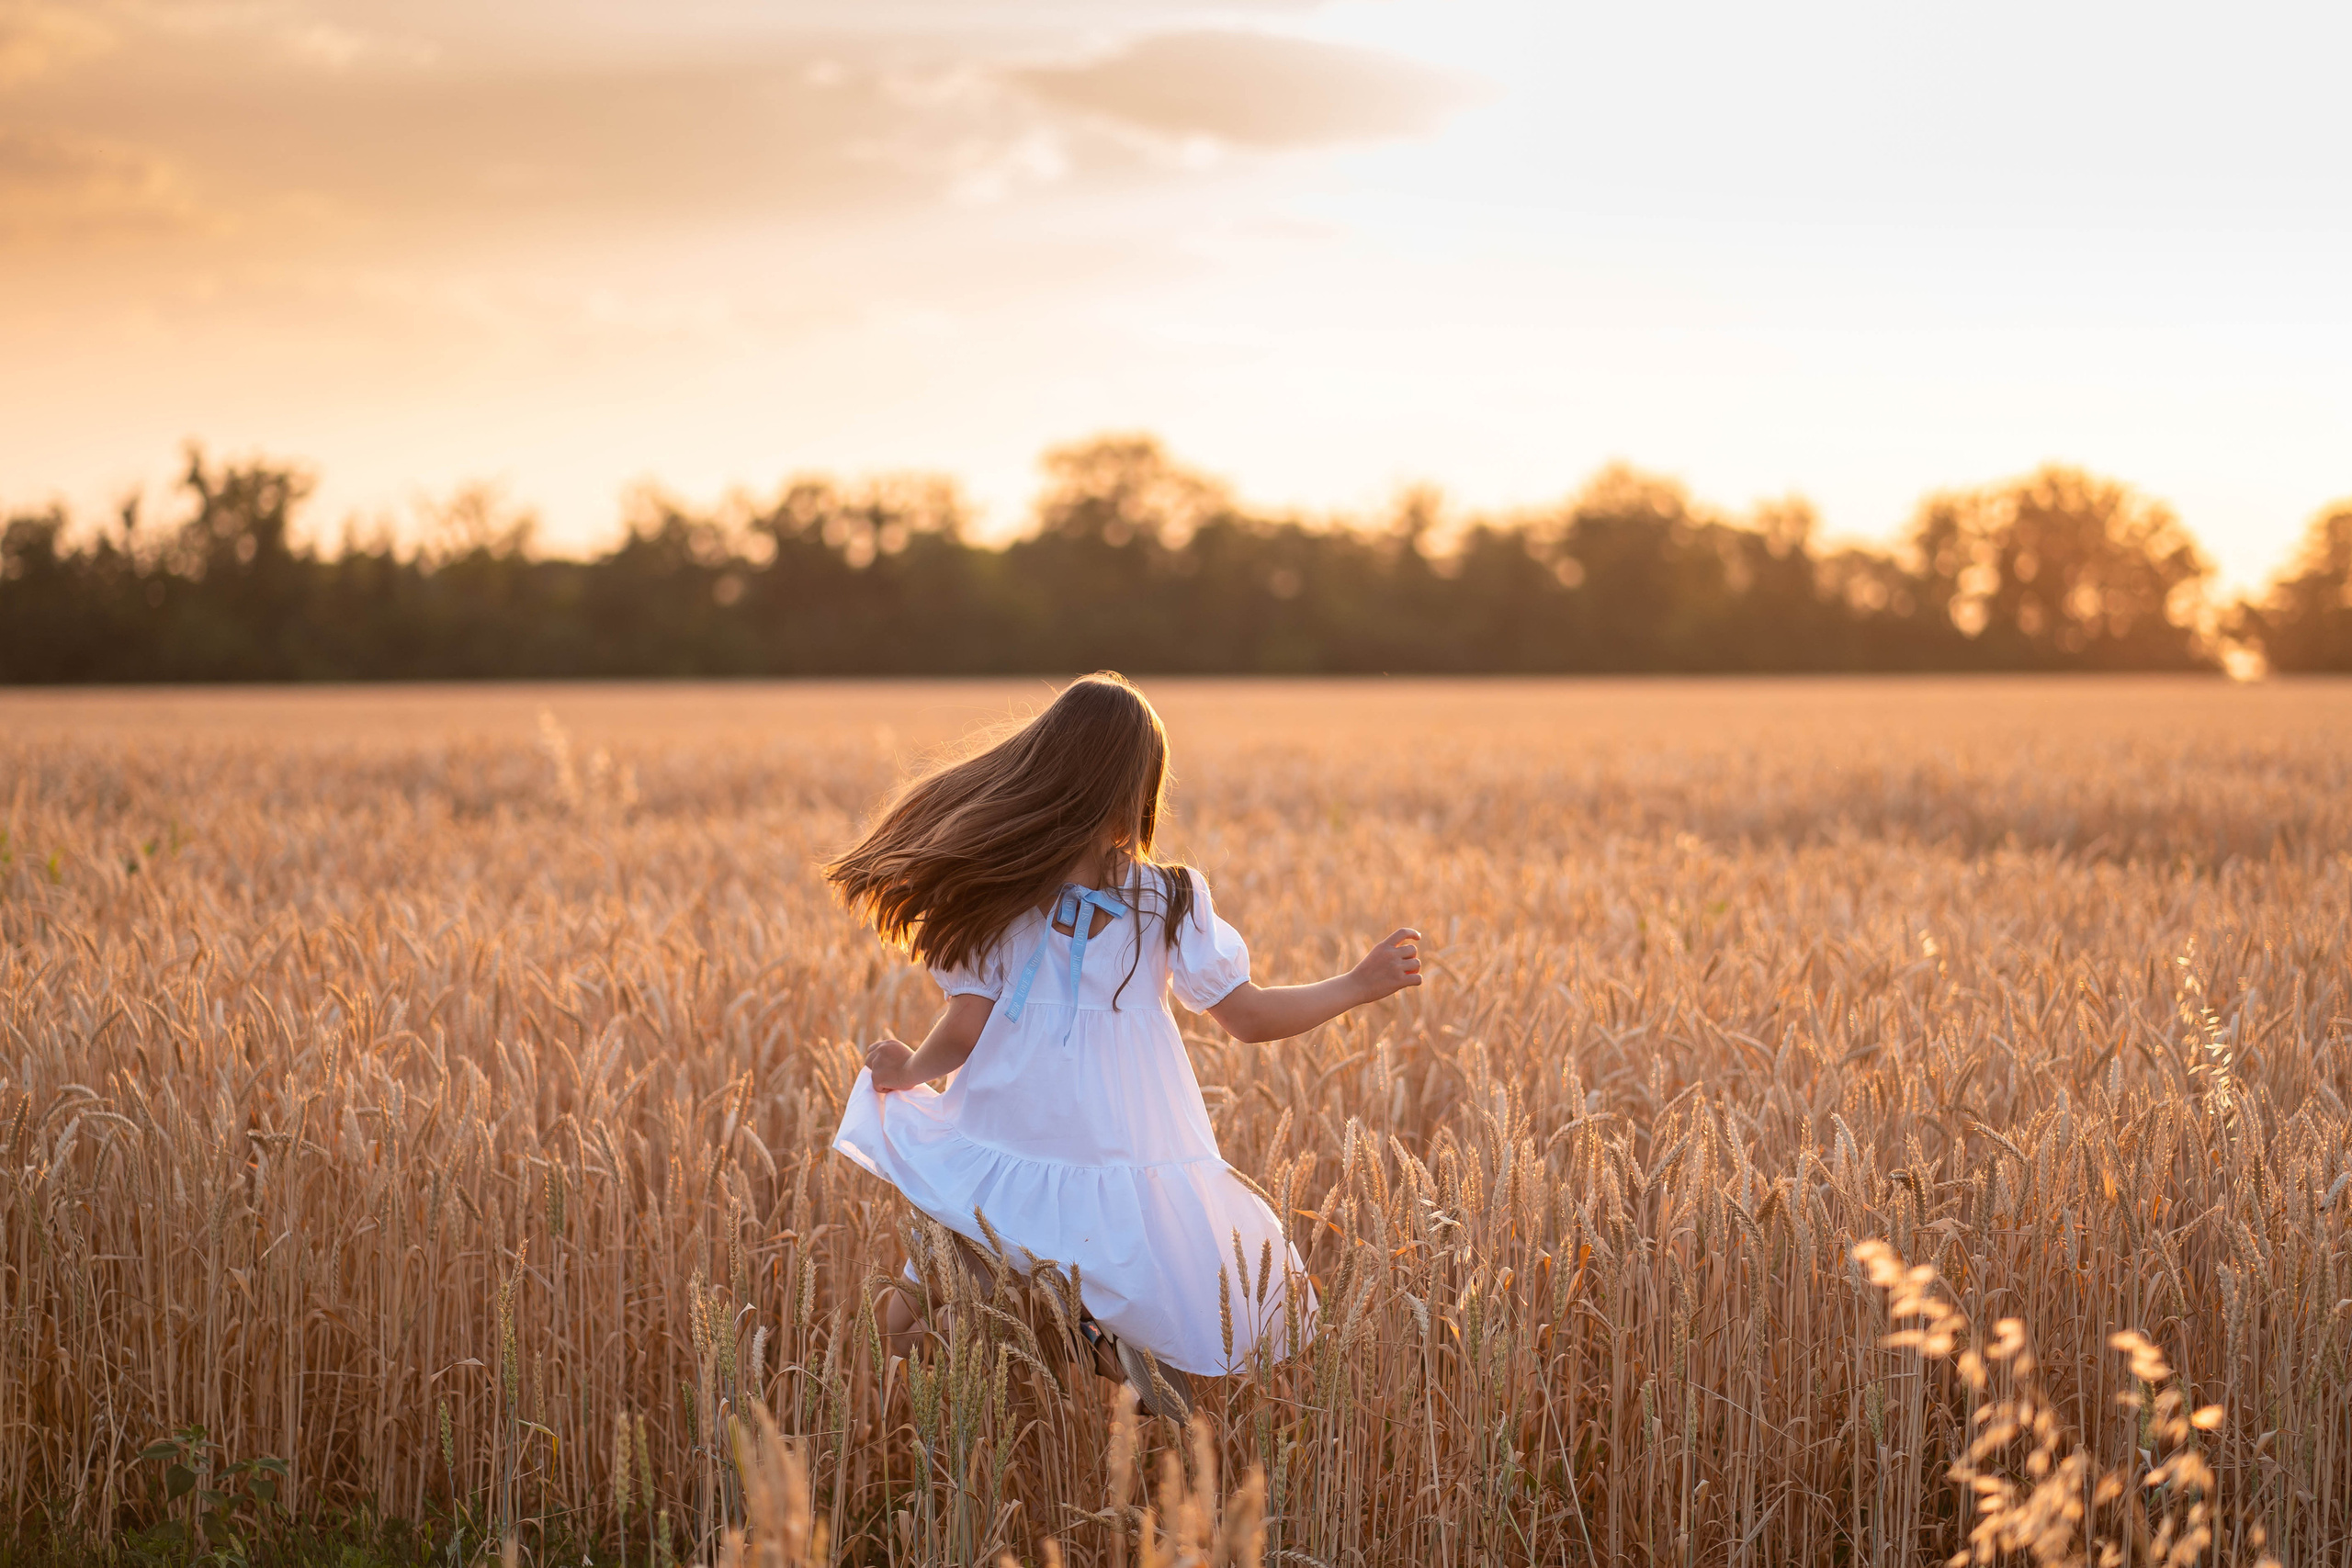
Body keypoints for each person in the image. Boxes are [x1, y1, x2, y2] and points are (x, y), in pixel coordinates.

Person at [827, 672, 1422, 1418]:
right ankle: (1072, 1353)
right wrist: (1357, 983)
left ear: (1046, 768)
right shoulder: (1155, 898)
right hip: (1099, 1152)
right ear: (1136, 789)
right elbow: (1249, 1016)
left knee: (906, 1323)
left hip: (1008, 1149)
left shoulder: (1080, 898)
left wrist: (906, 1068)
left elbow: (962, 1031)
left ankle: (1048, 1365)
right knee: (1117, 1338)